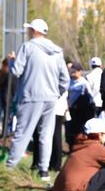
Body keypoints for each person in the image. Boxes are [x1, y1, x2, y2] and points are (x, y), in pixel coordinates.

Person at [6, 18, 69, 181]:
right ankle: (44, 171)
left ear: (34, 31)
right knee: (46, 135)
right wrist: (57, 93)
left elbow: (16, 71)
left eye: (29, 30)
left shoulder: (28, 47)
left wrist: (11, 61)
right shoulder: (57, 51)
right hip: (51, 98)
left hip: (31, 96)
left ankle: (9, 168)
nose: (28, 32)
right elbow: (65, 79)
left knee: (23, 133)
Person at [66, 61, 96, 145]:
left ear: (80, 71)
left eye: (75, 71)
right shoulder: (69, 82)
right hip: (72, 109)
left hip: (81, 109)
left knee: (81, 128)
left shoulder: (84, 82)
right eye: (71, 71)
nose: (73, 72)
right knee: (73, 129)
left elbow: (90, 96)